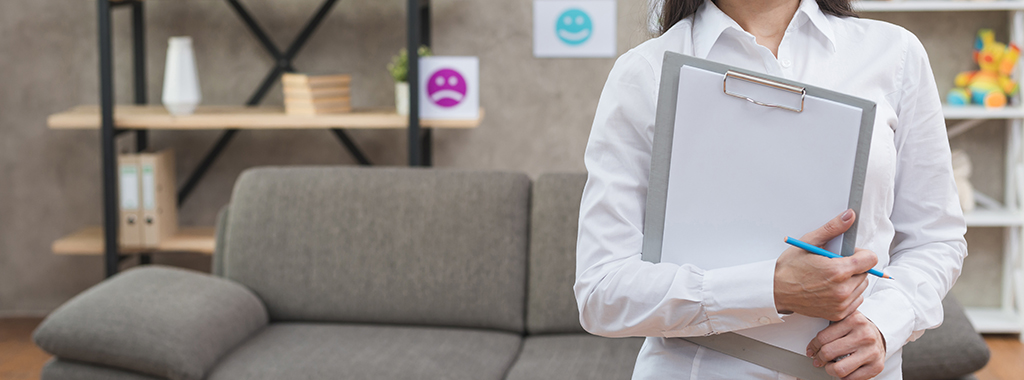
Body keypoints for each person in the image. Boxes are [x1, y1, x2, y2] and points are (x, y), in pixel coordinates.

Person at [574, 0, 968, 379]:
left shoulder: (894, 53)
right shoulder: (645, 72)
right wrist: (772, 289)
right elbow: (601, 291)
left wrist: (884, 324)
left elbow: (936, 238)